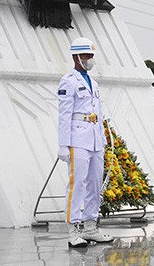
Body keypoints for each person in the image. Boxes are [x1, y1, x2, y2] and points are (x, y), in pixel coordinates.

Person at [57, 37, 114, 248]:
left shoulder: (93, 82)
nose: (90, 60)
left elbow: (97, 112)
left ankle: (91, 227)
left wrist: (103, 137)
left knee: (94, 184)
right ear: (77, 57)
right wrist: (63, 144)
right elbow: (64, 115)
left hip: (95, 140)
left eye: (91, 56)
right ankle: (73, 230)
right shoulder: (68, 81)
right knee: (77, 183)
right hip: (77, 138)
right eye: (87, 56)